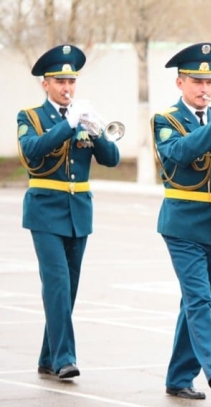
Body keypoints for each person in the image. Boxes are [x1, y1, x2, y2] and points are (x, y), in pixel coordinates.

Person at [17, 44, 120, 380]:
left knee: (69, 287)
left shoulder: (83, 117)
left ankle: (48, 357)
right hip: (45, 211)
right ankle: (65, 358)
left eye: (71, 81)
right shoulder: (30, 117)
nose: (67, 88)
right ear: (45, 83)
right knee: (57, 284)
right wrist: (67, 125)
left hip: (78, 213)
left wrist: (96, 131)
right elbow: (32, 151)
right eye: (60, 81)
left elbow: (111, 160)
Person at [152, 42, 211, 403]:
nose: (205, 88)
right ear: (180, 83)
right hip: (183, 223)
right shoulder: (166, 120)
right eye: (197, 81)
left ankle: (178, 376)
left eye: (209, 81)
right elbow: (180, 153)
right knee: (199, 298)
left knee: (200, 302)